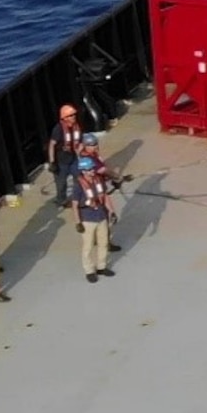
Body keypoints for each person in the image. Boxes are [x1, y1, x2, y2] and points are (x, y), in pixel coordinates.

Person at [72, 156, 116, 284]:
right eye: (90, 169)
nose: (93, 171)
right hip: (87, 219)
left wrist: (112, 211)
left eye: (93, 168)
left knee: (103, 243)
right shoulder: (78, 186)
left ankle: (101, 267)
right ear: (84, 171)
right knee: (88, 246)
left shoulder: (98, 181)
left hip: (101, 216)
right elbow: (75, 205)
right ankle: (89, 271)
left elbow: (105, 197)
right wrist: (78, 222)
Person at [76, 135, 124, 251]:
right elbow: (102, 170)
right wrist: (117, 177)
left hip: (98, 185)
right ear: (86, 146)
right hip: (94, 188)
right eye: (92, 145)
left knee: (102, 213)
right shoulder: (89, 159)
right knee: (102, 214)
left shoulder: (92, 155)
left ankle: (100, 239)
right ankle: (104, 242)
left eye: (96, 144)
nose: (95, 147)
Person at [46, 104, 85, 206]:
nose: (73, 117)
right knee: (61, 184)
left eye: (74, 115)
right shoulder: (58, 129)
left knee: (79, 178)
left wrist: (81, 150)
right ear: (64, 118)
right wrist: (52, 162)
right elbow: (52, 145)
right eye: (71, 115)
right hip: (61, 162)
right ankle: (61, 200)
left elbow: (80, 141)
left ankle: (78, 197)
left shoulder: (77, 127)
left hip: (73, 159)